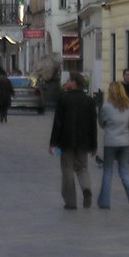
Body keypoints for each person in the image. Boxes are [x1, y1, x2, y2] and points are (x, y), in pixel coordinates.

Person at [49, 72, 98, 210]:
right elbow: (93, 124)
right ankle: (86, 190)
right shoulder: (89, 101)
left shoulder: (64, 99)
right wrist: (94, 145)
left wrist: (53, 143)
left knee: (67, 170)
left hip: (66, 140)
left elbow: (58, 122)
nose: (67, 82)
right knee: (82, 168)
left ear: (74, 83)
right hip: (84, 141)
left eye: (69, 80)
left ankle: (70, 202)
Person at [96, 82, 129, 209]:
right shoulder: (128, 107)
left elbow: (101, 123)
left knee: (108, 171)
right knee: (124, 171)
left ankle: (104, 202)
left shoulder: (106, 107)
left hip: (110, 142)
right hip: (125, 142)